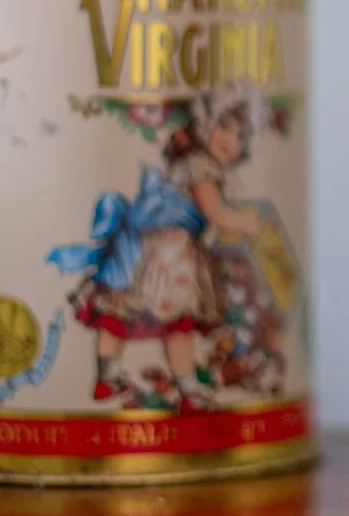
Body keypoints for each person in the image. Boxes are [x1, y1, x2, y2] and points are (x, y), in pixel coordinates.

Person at [50, 88, 261, 411]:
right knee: (176, 323)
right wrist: (246, 223)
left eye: (240, 135)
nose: (231, 141)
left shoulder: (195, 163)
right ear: (205, 125)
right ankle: (185, 388)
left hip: (149, 247)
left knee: (119, 312)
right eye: (224, 128)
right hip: (171, 256)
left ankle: (110, 377)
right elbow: (214, 212)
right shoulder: (200, 167)